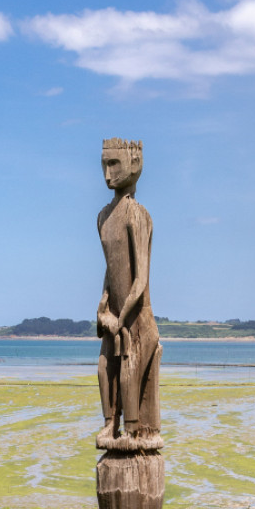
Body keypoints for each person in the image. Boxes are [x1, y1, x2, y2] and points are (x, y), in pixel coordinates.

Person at [96, 139, 161, 447]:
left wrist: (122, 319)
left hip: (137, 320)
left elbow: (140, 279)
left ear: (134, 165)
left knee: (128, 367)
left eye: (114, 165)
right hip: (115, 317)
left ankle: (133, 430)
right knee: (103, 368)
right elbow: (111, 268)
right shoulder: (102, 218)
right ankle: (110, 423)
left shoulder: (137, 215)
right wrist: (103, 307)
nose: (108, 175)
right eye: (104, 165)